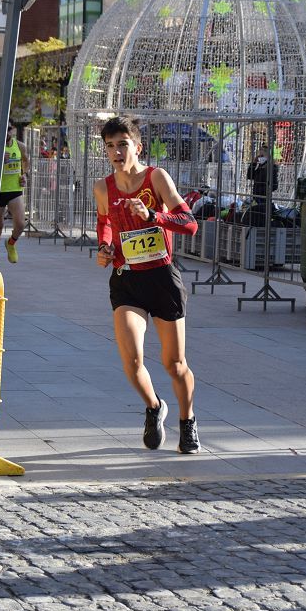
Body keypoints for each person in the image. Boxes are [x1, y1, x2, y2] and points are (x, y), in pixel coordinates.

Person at [92, 115, 201, 454]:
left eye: (122, 144)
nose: (116, 152)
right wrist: (105, 247)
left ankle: (187, 420)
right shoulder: (103, 187)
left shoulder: (156, 177)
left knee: (174, 364)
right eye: (110, 146)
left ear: (137, 147)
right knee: (133, 360)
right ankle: (154, 407)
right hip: (127, 279)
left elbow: (189, 223)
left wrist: (154, 217)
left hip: (162, 278)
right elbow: (105, 224)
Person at [0, 123, 29, 267]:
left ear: (12, 130)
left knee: (21, 224)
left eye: (8, 129)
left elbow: (26, 161)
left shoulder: (20, 146)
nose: (6, 132)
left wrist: (24, 175)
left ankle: (11, 243)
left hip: (14, 190)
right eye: (3, 129)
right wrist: (0, 161)